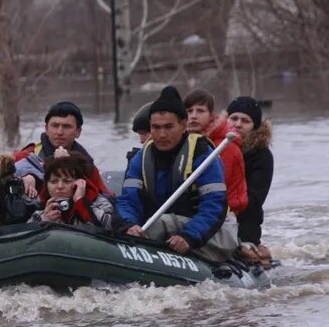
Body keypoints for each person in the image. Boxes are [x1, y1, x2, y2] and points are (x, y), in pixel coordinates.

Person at [116, 86, 238, 263]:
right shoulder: (141, 158)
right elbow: (128, 200)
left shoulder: (202, 153)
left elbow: (214, 205)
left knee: (159, 224)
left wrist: (189, 236)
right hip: (163, 225)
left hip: (212, 231)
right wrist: (128, 225)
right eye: (156, 128)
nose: (161, 134)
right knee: (144, 226)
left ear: (183, 125)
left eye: (168, 127)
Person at [14, 101, 111, 198]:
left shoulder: (87, 163)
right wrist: (26, 175)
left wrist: (68, 164)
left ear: (78, 132)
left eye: (66, 126)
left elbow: (106, 198)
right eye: (55, 126)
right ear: (46, 129)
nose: (59, 132)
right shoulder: (26, 155)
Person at [184, 89, 248, 215]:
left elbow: (218, 187)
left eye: (200, 111)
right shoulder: (185, 143)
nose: (193, 116)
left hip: (227, 213)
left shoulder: (226, 146)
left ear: (211, 115)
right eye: (189, 111)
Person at [227, 96, 274, 263]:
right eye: (233, 118)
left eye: (245, 121)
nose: (238, 124)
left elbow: (254, 199)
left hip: (245, 223)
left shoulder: (262, 156)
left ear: (254, 126)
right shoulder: (212, 147)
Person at [28, 153, 118, 230]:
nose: (60, 186)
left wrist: (81, 203)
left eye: (67, 181)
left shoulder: (100, 203)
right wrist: (44, 220)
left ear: (79, 182)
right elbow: (26, 238)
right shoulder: (40, 210)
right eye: (53, 181)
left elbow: (112, 228)